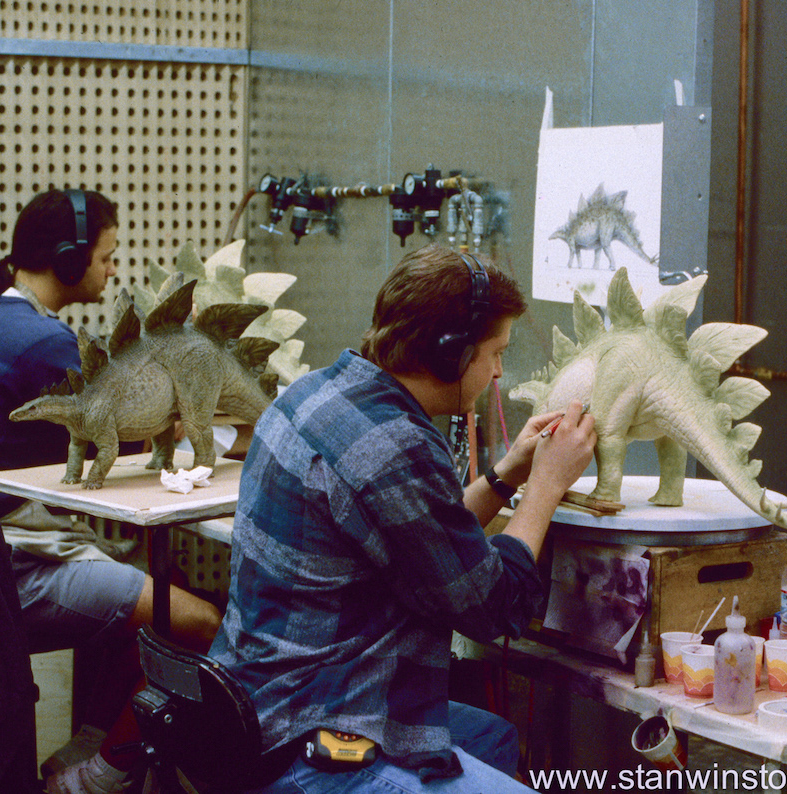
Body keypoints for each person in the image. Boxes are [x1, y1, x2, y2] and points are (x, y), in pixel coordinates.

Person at [209, 244, 598, 793]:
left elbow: (424, 541)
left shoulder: (313, 394)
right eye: (494, 353)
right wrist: (546, 488)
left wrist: (507, 473)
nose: (498, 372)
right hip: (310, 731)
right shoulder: (395, 445)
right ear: (451, 353)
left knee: (494, 738)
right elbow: (494, 606)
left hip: (260, 697)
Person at [0, 188, 222, 793]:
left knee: (156, 593)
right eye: (106, 257)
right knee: (202, 622)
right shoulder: (39, 344)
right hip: (12, 568)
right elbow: (148, 432)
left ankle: (77, 758)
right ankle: (95, 781)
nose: (113, 270)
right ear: (68, 257)